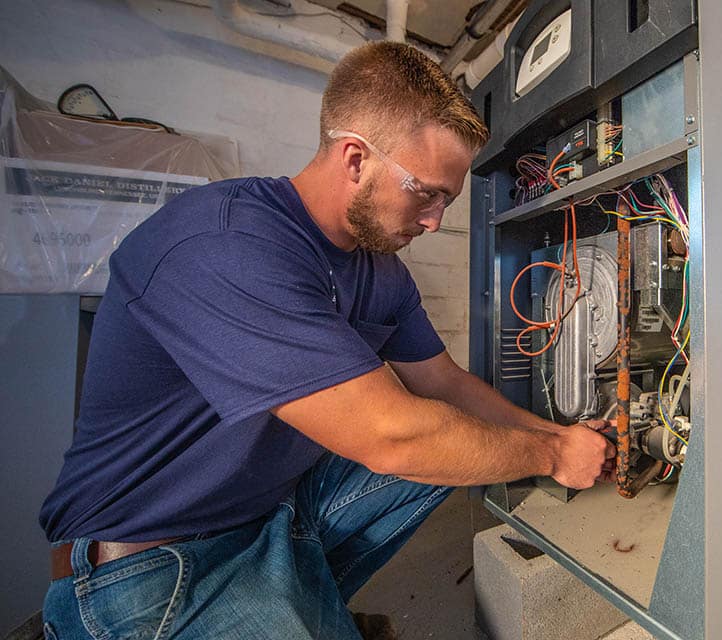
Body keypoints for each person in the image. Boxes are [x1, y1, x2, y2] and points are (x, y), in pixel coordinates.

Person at [39, 41, 615, 640]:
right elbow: (391, 438)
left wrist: (560, 437)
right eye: (426, 192)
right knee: (415, 439)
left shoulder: (378, 268)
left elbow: (444, 383)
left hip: (268, 510)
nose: (436, 220)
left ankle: (304, 594)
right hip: (152, 573)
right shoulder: (227, 245)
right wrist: (550, 460)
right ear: (355, 158)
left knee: (451, 436)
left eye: (448, 198)